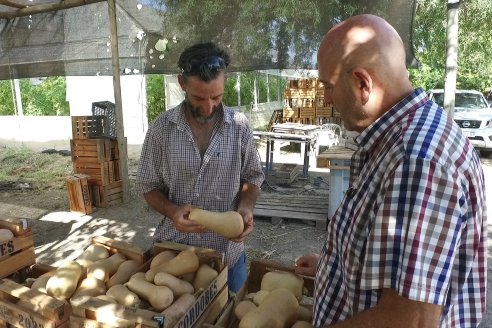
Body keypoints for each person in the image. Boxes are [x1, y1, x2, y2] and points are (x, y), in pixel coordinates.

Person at [295, 14, 486, 327]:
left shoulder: (416, 161)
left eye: (329, 86)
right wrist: (333, 268)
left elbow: (408, 320)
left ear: (362, 83)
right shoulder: (402, 137)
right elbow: (399, 261)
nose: (326, 99)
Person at [136, 42, 264, 293]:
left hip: (228, 254)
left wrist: (246, 208)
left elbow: (253, 176)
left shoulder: (239, 127)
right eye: (198, 98)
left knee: (229, 316)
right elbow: (148, 185)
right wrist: (172, 211)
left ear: (225, 82)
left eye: (216, 97)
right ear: (182, 83)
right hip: (174, 250)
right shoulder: (162, 129)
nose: (208, 107)